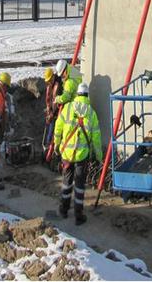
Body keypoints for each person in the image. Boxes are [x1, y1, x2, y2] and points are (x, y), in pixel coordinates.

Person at [54, 82, 103, 225]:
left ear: (77, 94)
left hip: (67, 155)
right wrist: (98, 156)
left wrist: (57, 144)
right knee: (80, 185)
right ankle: (78, 214)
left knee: (66, 182)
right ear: (87, 95)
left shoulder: (68, 108)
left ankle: (63, 209)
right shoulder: (91, 113)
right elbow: (96, 138)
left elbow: (58, 127)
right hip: (82, 155)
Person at [43, 67, 62, 152]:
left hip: (58, 112)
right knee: (49, 128)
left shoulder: (58, 84)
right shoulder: (50, 85)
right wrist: (48, 110)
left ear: (53, 77)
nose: (49, 82)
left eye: (50, 80)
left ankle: (51, 148)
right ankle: (47, 147)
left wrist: (52, 114)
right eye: (48, 81)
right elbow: (48, 99)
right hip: (52, 111)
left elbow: (56, 101)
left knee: (54, 129)